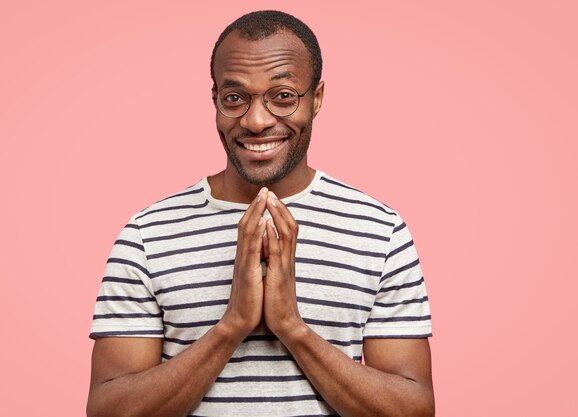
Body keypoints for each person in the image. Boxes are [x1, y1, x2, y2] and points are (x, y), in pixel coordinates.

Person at [87, 10, 434, 417]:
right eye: (235, 98)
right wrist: (232, 325)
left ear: (316, 98)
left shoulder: (380, 230)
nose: (256, 120)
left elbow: (414, 410)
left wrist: (292, 327)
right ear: (215, 99)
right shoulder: (147, 234)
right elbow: (109, 411)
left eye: (283, 96)